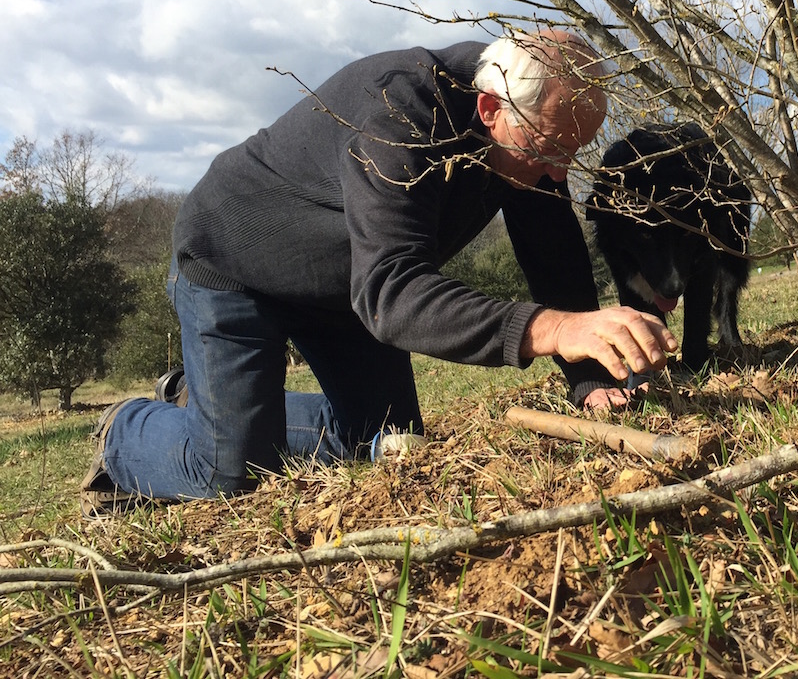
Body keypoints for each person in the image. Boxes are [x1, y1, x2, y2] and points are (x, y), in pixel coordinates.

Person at [81, 30, 674, 515]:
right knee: (228, 473)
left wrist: (592, 376)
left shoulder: (530, 120)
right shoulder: (398, 111)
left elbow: (554, 254)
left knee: (386, 443)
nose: (558, 172)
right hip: (234, 263)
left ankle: (213, 402)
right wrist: (552, 329)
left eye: (575, 151)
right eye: (550, 150)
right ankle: (127, 429)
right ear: (490, 108)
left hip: (341, 285)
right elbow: (391, 291)